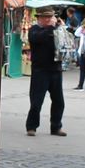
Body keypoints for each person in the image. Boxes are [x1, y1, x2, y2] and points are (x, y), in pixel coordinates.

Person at [25, 8, 66, 136]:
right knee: (36, 101)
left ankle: (56, 127)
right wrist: (51, 28)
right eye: (45, 17)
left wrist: (62, 29)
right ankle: (31, 127)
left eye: (50, 17)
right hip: (40, 70)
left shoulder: (56, 29)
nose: (48, 20)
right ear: (39, 18)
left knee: (59, 101)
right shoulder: (34, 30)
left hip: (56, 69)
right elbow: (38, 38)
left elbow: (64, 43)